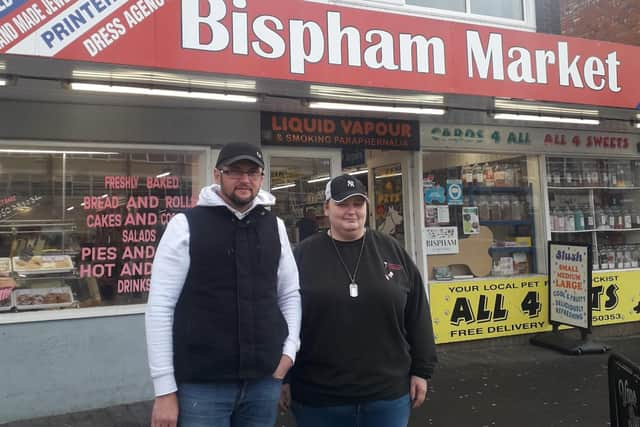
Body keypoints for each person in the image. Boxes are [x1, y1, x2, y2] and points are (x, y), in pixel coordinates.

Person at [145, 142, 301, 427]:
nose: (245, 180)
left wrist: (289, 351)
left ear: (261, 178)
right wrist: (164, 389)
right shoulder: (185, 225)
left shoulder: (274, 226)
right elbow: (160, 308)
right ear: (217, 175)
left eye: (252, 172)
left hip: (263, 382)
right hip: (202, 386)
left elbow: (289, 294)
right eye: (235, 172)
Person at [280, 174, 437, 427]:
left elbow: (418, 313)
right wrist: (284, 377)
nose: (351, 211)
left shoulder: (392, 250)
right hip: (318, 399)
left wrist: (422, 370)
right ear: (326, 208)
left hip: (387, 397)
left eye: (358, 204)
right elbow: (284, 319)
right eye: (342, 204)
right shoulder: (303, 256)